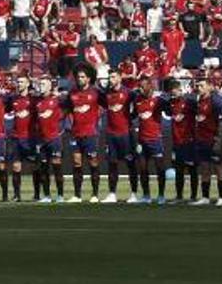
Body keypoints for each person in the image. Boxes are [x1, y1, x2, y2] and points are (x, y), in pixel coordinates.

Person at [63, 65, 102, 203]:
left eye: (82, 77)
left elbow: (105, 106)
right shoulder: (72, 93)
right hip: (75, 134)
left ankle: (95, 194)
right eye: (78, 77)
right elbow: (66, 110)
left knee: (93, 163)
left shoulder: (96, 93)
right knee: (76, 163)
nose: (79, 79)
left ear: (88, 79)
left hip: (90, 134)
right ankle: (77, 195)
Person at [99, 69, 139, 204]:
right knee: (112, 165)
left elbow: (138, 106)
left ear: (120, 78)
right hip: (111, 134)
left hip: (126, 134)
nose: (111, 79)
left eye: (113, 77)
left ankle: (133, 194)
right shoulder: (107, 94)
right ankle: (112, 194)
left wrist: (130, 118)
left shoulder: (129, 93)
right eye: (109, 77)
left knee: (130, 164)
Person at [133, 74, 169, 205]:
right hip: (142, 140)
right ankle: (146, 195)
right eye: (139, 87)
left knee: (160, 168)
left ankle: (161, 195)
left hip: (155, 139)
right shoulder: (137, 100)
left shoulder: (158, 101)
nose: (141, 89)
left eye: (143, 86)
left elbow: (170, 110)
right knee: (142, 169)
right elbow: (133, 116)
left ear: (149, 86)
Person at [31, 76, 66, 203]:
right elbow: (35, 120)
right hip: (41, 140)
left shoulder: (57, 100)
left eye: (44, 84)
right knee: (43, 168)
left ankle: (60, 195)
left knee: (57, 167)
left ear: (50, 86)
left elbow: (69, 104)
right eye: (40, 84)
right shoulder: (37, 102)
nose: (41, 86)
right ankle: (46, 195)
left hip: (54, 139)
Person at [192, 77, 222, 206]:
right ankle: (205, 197)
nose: (198, 88)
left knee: (219, 169)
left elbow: (221, 123)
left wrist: (218, 140)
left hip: (213, 140)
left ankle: (221, 198)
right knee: (205, 170)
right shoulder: (198, 101)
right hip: (201, 140)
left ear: (209, 87)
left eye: (201, 86)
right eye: (197, 86)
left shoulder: (215, 102)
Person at [167, 78, 199, 204]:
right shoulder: (170, 103)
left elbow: (201, 112)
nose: (174, 93)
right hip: (177, 142)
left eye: (175, 91)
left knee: (192, 170)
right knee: (179, 170)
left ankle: (193, 197)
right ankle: (179, 197)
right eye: (171, 91)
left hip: (189, 141)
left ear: (181, 90)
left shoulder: (190, 102)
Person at [7, 75, 35, 202]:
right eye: (18, 82)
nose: (19, 84)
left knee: (34, 166)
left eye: (22, 82)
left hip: (30, 138)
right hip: (16, 137)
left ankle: (37, 194)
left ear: (28, 83)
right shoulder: (13, 99)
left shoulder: (34, 99)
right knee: (16, 167)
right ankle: (17, 195)